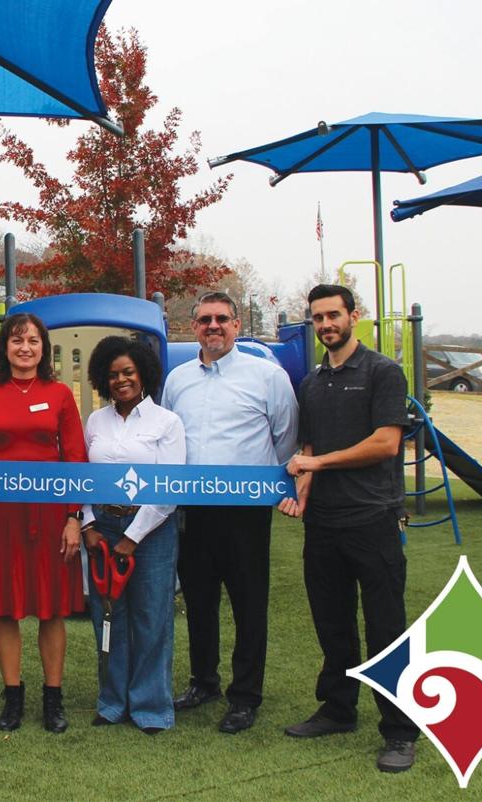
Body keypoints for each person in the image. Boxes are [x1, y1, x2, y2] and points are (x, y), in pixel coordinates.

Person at [278, 283, 420, 773]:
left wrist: (318, 465)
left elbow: (385, 444)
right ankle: (338, 710)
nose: (326, 325)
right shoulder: (312, 383)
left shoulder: (383, 371)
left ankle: (400, 731)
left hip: (373, 519)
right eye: (318, 317)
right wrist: (302, 493)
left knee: (386, 629)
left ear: (353, 316)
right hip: (323, 523)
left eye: (333, 315)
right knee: (333, 625)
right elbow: (309, 447)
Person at [163, 291, 298, 734]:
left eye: (222, 318)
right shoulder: (177, 379)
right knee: (199, 601)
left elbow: (285, 438)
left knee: (248, 604)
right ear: (194, 327)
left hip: (245, 512)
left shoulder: (267, 376)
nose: (213, 326)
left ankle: (245, 695)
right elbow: (169, 437)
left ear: (237, 325)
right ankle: (203, 681)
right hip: (193, 510)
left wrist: (269, 488)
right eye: (205, 320)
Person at [0, 312, 86, 733]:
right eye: (17, 340)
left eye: (33, 341)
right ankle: (13, 696)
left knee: (51, 609)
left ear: (43, 347)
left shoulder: (59, 394)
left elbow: (75, 458)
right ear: (4, 347)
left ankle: (53, 698)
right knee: (5, 607)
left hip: (51, 515)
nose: (25, 348)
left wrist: (73, 517)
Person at [81, 336, 186, 734]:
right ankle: (112, 702)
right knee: (108, 617)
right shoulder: (96, 421)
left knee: (151, 616)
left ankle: (151, 707)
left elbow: (169, 489)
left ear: (143, 374)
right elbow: (81, 477)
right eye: (112, 374)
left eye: (128, 372)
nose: (121, 380)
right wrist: (88, 524)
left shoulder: (167, 422)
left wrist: (133, 538)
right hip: (103, 528)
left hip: (152, 531)